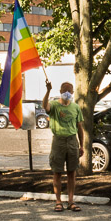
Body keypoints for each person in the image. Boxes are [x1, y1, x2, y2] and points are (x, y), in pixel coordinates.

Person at [44, 81, 85, 212]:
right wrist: (48, 91)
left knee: (72, 172)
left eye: (69, 90)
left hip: (72, 141)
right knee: (57, 172)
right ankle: (58, 201)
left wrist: (82, 145)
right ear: (60, 91)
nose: (67, 92)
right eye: (64, 90)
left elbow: (80, 127)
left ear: (72, 92)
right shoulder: (55, 105)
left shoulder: (75, 107)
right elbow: (45, 107)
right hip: (58, 141)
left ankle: (71, 201)